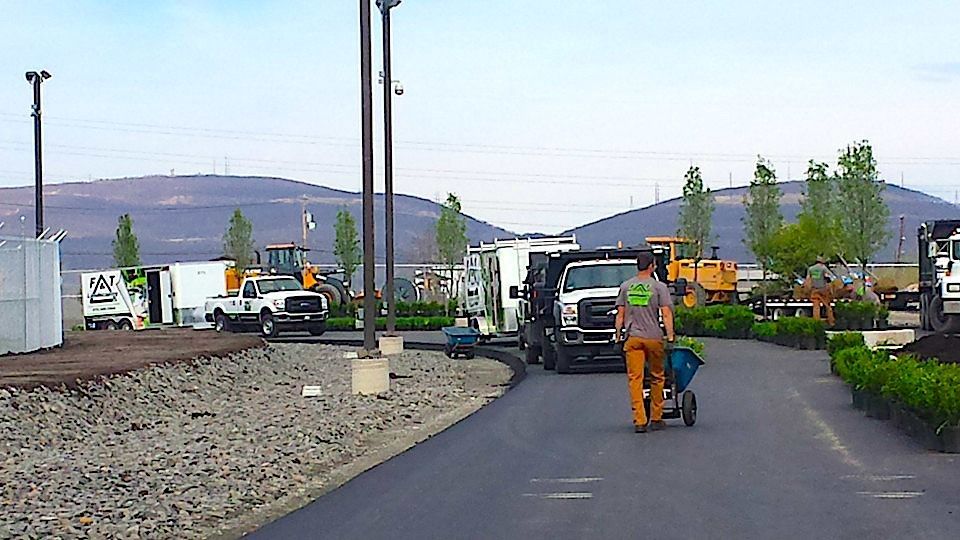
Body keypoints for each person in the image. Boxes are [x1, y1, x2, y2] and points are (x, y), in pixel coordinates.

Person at [615, 251, 675, 434]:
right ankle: (656, 417)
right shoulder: (659, 288)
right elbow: (665, 313)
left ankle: (640, 420)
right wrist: (670, 336)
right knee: (657, 376)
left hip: (633, 338)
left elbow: (620, 315)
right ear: (652, 266)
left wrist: (618, 336)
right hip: (653, 338)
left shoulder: (626, 287)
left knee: (635, 379)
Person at [805, 256, 836, 326]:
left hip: (814, 290)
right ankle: (831, 322)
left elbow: (808, 280)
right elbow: (830, 277)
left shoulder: (811, 269)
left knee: (816, 307)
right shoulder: (823, 268)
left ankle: (816, 323)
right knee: (827, 306)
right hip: (823, 290)